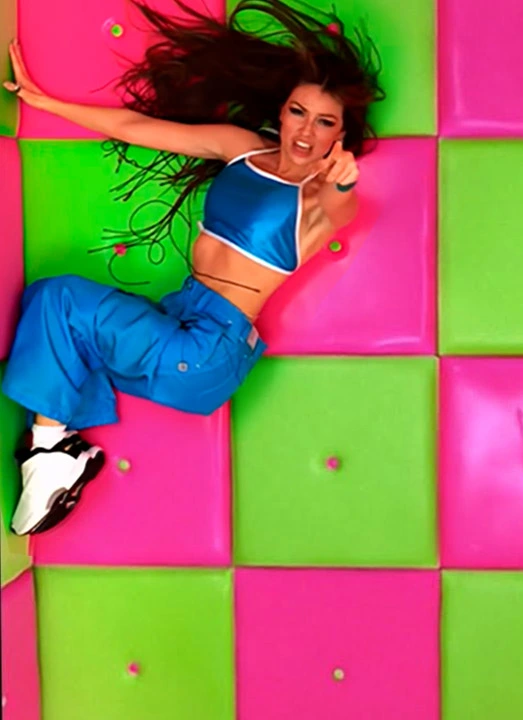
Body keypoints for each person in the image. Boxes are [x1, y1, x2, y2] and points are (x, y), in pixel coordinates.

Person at [0, 0, 383, 535]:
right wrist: (47, 103)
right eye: (299, 112)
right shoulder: (243, 149)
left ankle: (49, 452)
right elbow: (137, 127)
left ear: (339, 135)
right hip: (181, 318)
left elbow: (343, 208)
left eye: (325, 123)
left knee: (58, 302)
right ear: (282, 111)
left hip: (206, 349)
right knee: (61, 322)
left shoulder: (317, 198)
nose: (306, 132)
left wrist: (343, 182)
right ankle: (61, 453)